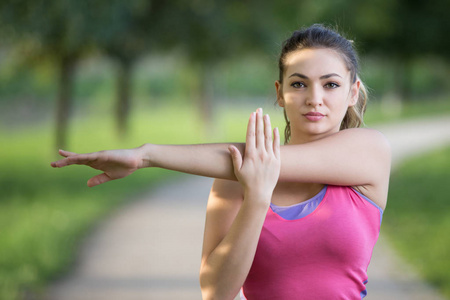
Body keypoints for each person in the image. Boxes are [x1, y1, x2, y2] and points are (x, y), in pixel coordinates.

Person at [51, 24, 391, 299]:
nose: (314, 99)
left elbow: (256, 158)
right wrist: (256, 199)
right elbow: (215, 293)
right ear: (279, 92)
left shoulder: (369, 152)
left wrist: (147, 156)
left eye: (330, 84)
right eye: (299, 84)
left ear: (352, 93)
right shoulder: (233, 176)